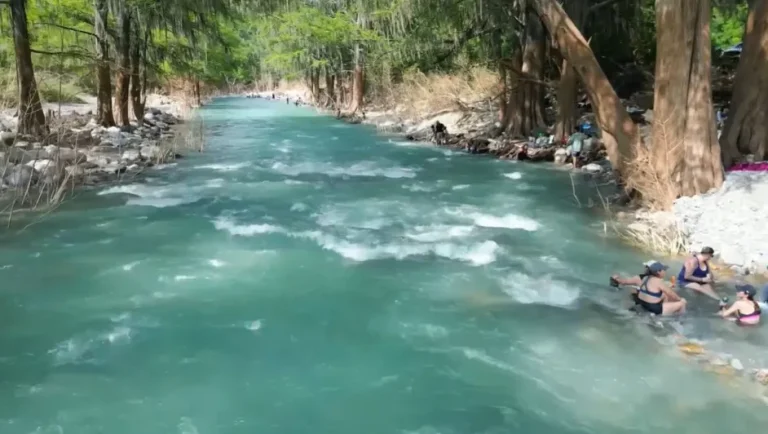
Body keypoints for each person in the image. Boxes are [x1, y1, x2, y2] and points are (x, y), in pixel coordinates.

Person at [613, 262, 687, 316]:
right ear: (658, 272)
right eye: (663, 270)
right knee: (682, 304)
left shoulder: (644, 278)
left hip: (643, 303)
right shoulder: (658, 281)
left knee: (664, 295)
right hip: (653, 308)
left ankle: (666, 311)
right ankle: (679, 320)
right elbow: (670, 293)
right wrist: (680, 299)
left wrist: (617, 279)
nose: (665, 272)